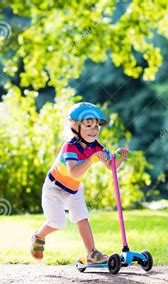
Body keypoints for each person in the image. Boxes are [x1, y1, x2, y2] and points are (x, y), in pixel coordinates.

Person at [31, 102, 128, 264]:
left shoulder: (96, 146)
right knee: (58, 223)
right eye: (88, 125)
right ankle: (38, 236)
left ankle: (91, 253)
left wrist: (118, 157)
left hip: (73, 190)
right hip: (54, 188)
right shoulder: (70, 147)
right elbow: (74, 172)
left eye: (97, 126)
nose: (94, 130)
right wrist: (91, 159)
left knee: (82, 217)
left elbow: (111, 166)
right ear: (75, 127)